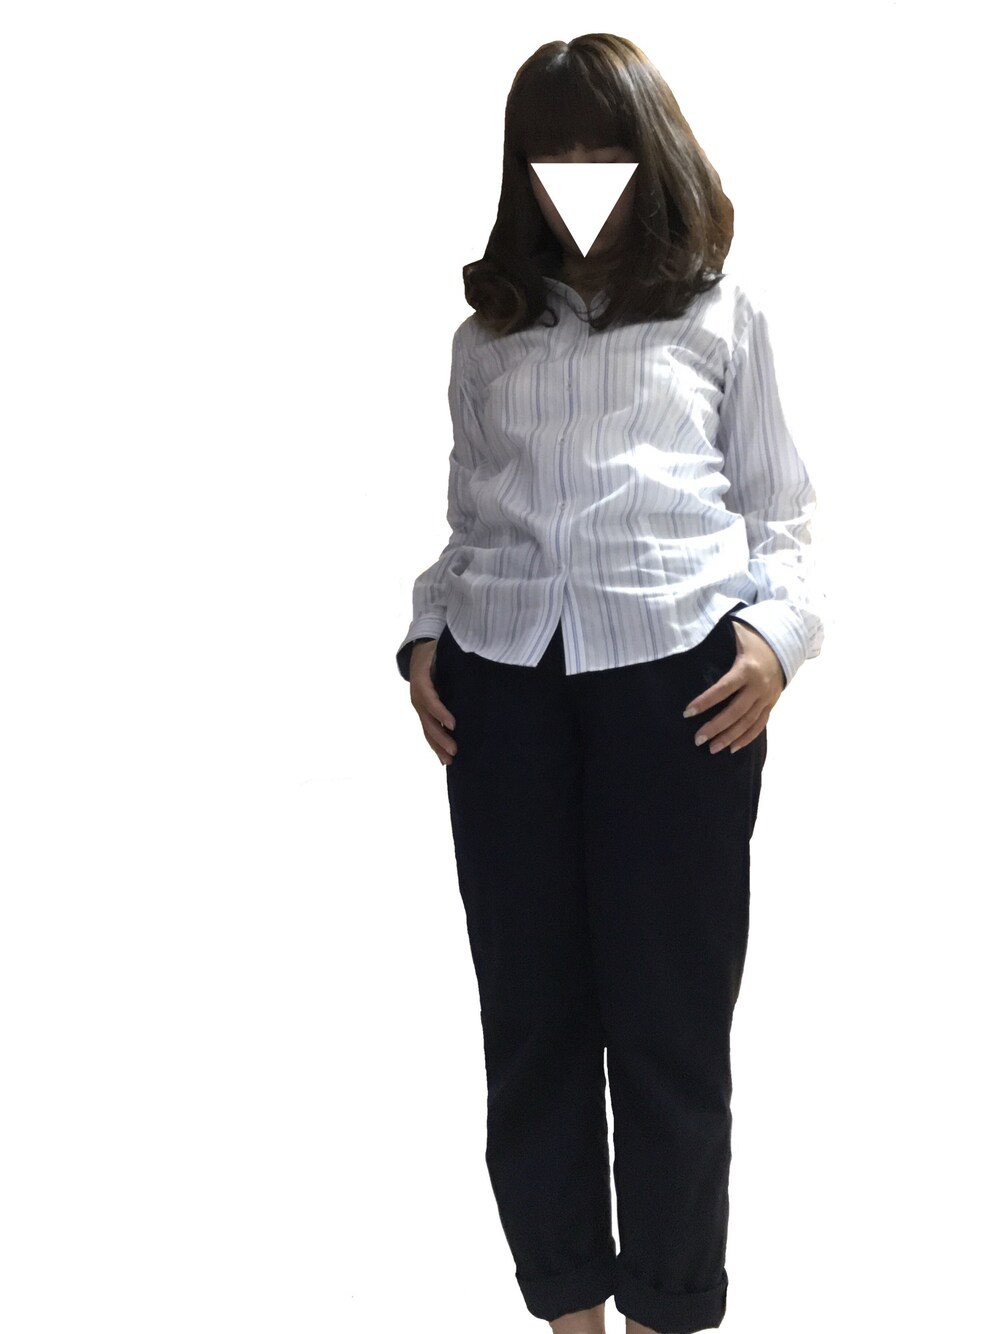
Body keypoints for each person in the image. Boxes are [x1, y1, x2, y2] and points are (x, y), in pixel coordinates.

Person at [396, 32, 825, 1334]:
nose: (579, 174)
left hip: (676, 693)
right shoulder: (488, 339)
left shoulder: (720, 316)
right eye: (554, 153)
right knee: (532, 1026)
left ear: (654, 154)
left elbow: (783, 515)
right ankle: (570, 1313)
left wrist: (775, 641)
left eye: (605, 148)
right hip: (504, 691)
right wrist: (424, 633)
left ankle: (668, 1312)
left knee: (668, 1030)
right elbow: (473, 519)